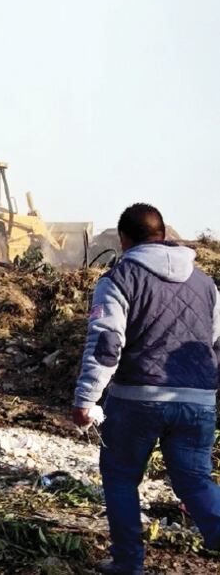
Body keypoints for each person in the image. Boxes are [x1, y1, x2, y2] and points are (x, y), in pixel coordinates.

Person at [72, 203, 220, 574]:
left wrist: (86, 398)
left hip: (137, 400)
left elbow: (106, 344)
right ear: (163, 234)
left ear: (124, 239)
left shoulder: (119, 278)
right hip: (198, 402)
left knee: (121, 477)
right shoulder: (206, 284)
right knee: (196, 482)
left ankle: (129, 564)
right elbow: (214, 345)